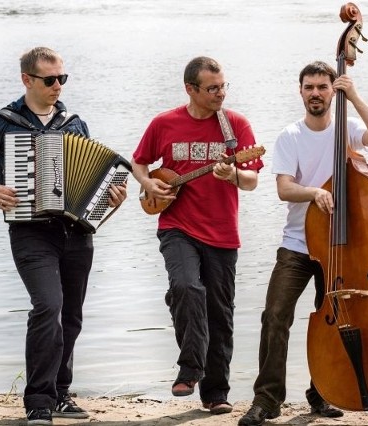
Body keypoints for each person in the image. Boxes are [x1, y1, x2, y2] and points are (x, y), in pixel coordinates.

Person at [0, 46, 127, 426]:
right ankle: (37, 401)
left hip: (76, 233)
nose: (57, 87)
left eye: (62, 79)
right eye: (50, 80)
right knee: (47, 306)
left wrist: (110, 199)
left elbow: (95, 184)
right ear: (27, 80)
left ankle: (61, 394)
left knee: (72, 315)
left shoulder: (74, 123)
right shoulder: (3, 122)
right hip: (30, 233)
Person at [238, 61, 368, 426]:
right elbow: (283, 188)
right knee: (275, 315)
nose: (316, 94)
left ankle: (321, 393)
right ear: (301, 91)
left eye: (323, 87)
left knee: (335, 320)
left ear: (331, 91)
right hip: (297, 244)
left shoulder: (348, 130)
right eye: (310, 87)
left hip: (340, 247)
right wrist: (314, 193)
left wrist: (352, 93)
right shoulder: (290, 136)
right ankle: (268, 399)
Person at [131, 56, 263, 415]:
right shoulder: (164, 123)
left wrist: (232, 175)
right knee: (188, 286)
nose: (220, 93)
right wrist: (148, 184)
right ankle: (190, 369)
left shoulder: (235, 127)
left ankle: (215, 394)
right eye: (212, 88)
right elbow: (139, 162)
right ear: (190, 89)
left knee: (219, 313)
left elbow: (252, 180)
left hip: (222, 231)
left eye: (223, 86)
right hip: (177, 226)